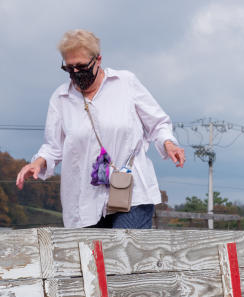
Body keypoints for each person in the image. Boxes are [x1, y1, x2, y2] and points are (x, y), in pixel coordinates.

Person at [15, 29, 185, 228]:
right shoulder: (60, 99)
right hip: (84, 202)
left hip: (132, 192)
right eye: (69, 69)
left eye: (81, 66)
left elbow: (158, 123)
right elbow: (53, 147)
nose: (76, 73)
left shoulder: (125, 83)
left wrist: (168, 143)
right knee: (92, 259)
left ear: (98, 59)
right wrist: (37, 163)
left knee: (124, 254)